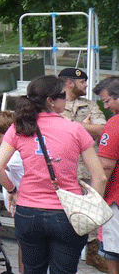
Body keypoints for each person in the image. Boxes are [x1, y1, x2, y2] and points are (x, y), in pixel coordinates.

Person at [0, 75, 106, 274]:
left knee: (32, 270)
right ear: (51, 101)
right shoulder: (75, 129)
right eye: (63, 96)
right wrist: (90, 207)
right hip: (67, 213)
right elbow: (100, 177)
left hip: (28, 212)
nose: (66, 100)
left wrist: (13, 190)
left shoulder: (18, 128)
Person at [59, 67, 108, 271]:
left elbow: (103, 129)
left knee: (87, 218)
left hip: (85, 171)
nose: (86, 85)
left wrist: (70, 124)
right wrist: (82, 126)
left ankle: (91, 253)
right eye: (82, 82)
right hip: (61, 171)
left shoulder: (89, 105)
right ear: (69, 83)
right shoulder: (53, 104)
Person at [0, 110, 24, 273]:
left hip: (24, 202)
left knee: (26, 246)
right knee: (23, 243)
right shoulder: (4, 147)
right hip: (19, 205)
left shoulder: (15, 154)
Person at [94, 76, 119, 273]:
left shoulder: (114, 124)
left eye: (107, 101)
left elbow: (105, 167)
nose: (106, 107)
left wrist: (94, 199)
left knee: (113, 256)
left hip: (116, 200)